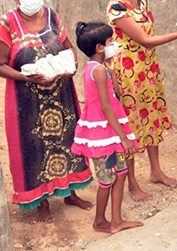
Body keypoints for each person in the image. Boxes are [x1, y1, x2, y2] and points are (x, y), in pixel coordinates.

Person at [0, 0, 92, 223]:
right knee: (34, 148)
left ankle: (71, 193)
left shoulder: (52, 16)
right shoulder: (8, 23)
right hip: (27, 100)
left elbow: (68, 47)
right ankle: (42, 202)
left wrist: (71, 63)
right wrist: (27, 78)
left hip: (61, 95)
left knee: (68, 141)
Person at [104, 0, 177, 201]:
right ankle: (132, 183)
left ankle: (156, 171)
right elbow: (144, 39)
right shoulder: (116, 8)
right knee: (131, 125)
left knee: (152, 116)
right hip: (128, 73)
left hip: (148, 67)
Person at [71, 22, 144, 234]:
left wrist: (111, 71)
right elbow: (105, 106)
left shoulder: (98, 68)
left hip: (108, 131)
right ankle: (100, 221)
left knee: (120, 173)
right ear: (99, 48)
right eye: (110, 41)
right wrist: (124, 137)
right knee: (106, 180)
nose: (114, 44)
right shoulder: (98, 71)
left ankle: (116, 221)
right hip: (105, 133)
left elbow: (115, 95)